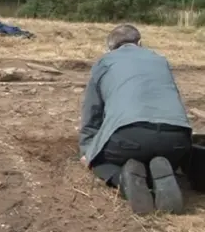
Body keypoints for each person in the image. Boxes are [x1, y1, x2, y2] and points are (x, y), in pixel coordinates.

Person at [79, 24, 192, 215]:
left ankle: (124, 180)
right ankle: (162, 169)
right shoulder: (160, 60)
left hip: (129, 137)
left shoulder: (105, 62)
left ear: (110, 48)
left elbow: (92, 111)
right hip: (177, 140)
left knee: (98, 160)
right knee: (162, 152)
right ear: (140, 43)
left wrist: (88, 151)